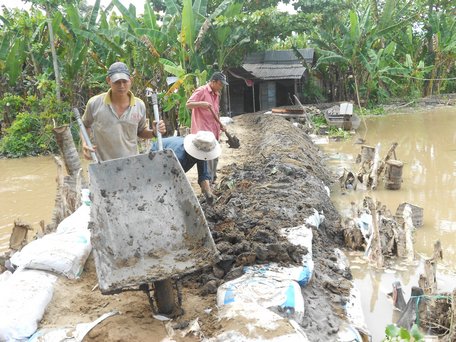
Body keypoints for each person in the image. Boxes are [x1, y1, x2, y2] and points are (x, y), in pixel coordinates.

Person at [80, 61, 166, 161]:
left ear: (131, 80)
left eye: (125, 81)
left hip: (131, 164)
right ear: (108, 80)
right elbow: (84, 125)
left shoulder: (139, 105)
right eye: (117, 82)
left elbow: (141, 131)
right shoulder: (94, 104)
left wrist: (154, 132)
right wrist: (85, 143)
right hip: (103, 165)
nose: (121, 86)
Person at [150, 131, 221, 204]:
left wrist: (208, 193)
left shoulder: (201, 150)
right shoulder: (178, 156)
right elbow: (170, 179)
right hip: (155, 155)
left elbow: (203, 175)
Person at [186, 72, 228, 183]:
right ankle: (207, 182)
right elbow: (188, 104)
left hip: (214, 131)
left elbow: (216, 112)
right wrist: (201, 104)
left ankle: (213, 179)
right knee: (206, 158)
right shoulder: (201, 91)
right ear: (213, 82)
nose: (221, 87)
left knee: (215, 156)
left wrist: (220, 125)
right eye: (220, 84)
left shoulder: (216, 94)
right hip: (204, 133)